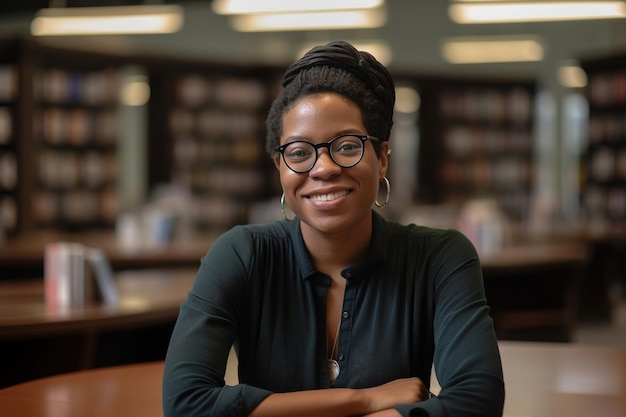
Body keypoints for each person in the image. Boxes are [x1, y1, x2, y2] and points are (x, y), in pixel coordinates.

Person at [162, 40, 505, 417]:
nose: (322, 168)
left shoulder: (440, 258)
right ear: (280, 168)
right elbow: (185, 405)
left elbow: (477, 402)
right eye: (298, 153)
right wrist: (365, 400)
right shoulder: (242, 254)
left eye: (346, 146)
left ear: (383, 158)